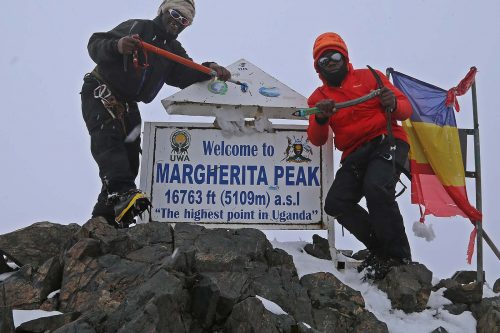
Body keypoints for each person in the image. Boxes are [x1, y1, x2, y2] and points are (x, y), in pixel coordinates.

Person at [81, 0, 231, 228]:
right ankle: (122, 195)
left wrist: (210, 69)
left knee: (130, 161)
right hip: (102, 90)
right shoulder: (138, 28)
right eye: (175, 14)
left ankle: (105, 221)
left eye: (185, 20)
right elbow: (95, 43)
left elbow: (186, 74)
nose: (178, 21)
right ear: (163, 11)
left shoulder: (172, 50)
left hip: (128, 104)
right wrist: (118, 46)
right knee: (109, 142)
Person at [306, 32, 413, 279]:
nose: (330, 61)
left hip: (387, 141)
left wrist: (392, 103)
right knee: (335, 203)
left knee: (376, 188)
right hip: (354, 153)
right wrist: (321, 117)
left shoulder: (370, 77)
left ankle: (399, 258)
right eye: (324, 59)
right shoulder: (318, 98)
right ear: (318, 67)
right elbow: (317, 139)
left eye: (334, 55)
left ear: (344, 57)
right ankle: (380, 250)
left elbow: (405, 110)